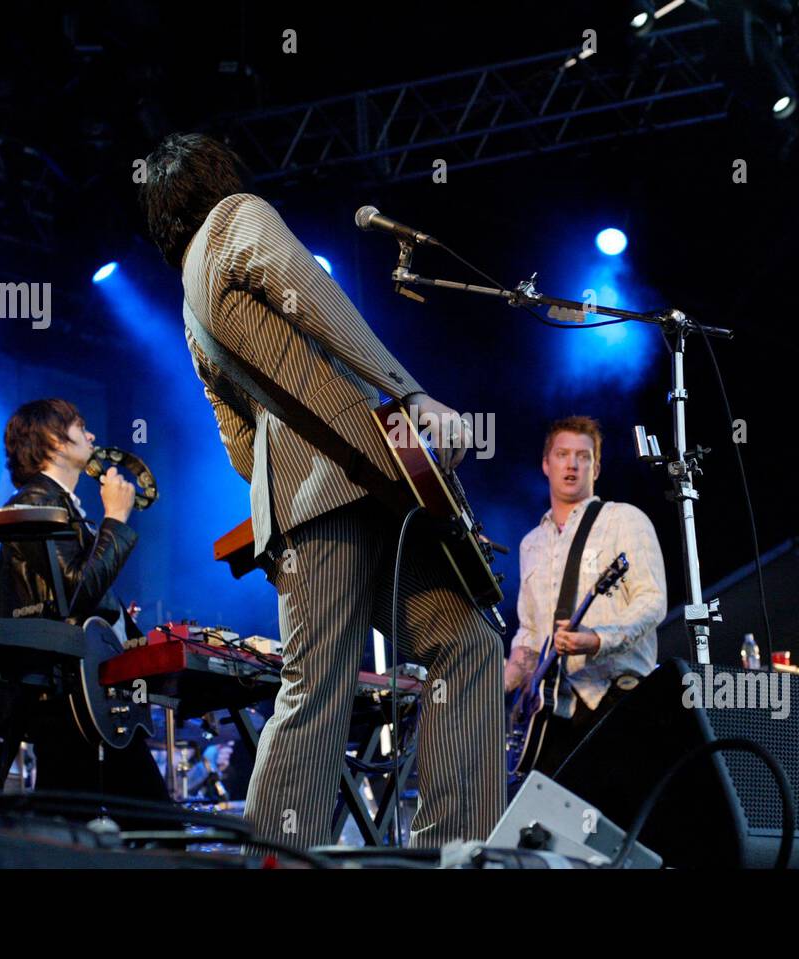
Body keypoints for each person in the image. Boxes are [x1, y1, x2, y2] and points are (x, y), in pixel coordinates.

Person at [137, 133, 504, 848]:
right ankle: (275, 859)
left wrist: (291, 463)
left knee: (460, 644)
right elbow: (314, 296)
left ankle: (450, 853)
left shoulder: (189, 303)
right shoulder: (238, 215)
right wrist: (410, 392)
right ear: (219, 173)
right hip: (348, 487)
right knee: (323, 687)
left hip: (317, 500)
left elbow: (242, 448)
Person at [0, 398, 168, 804]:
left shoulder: (62, 506)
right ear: (53, 439)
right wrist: (115, 518)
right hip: (62, 692)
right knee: (142, 817)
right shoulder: (34, 504)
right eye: (79, 426)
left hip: (79, 689)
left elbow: (78, 592)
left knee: (93, 815)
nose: (91, 436)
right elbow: (74, 592)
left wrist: (114, 621)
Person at [504, 415, 668, 775]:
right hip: (551, 712)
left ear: (596, 468)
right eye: (562, 454)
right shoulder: (531, 543)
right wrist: (501, 681)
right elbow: (531, 634)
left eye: (584, 456)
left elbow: (652, 601)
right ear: (546, 464)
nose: (572, 464)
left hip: (615, 697)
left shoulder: (624, 519)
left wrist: (596, 640)